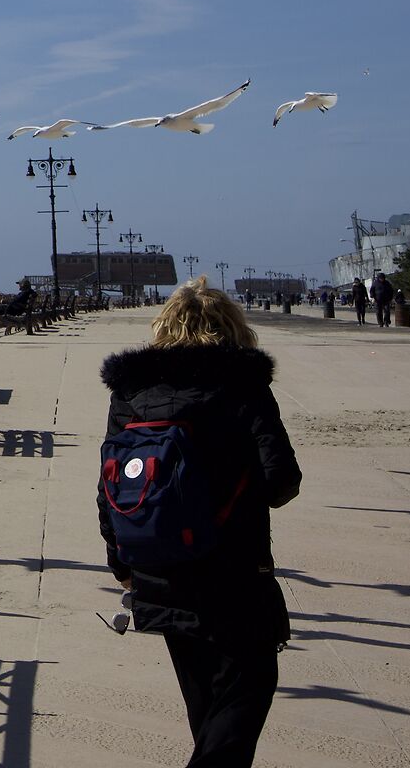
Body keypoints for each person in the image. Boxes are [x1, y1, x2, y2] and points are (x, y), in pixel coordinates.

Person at [98, 279, 302, 768]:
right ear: (232, 328)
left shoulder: (132, 390)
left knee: (206, 705)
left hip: (155, 566)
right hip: (233, 567)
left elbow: (110, 484)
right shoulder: (243, 384)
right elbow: (282, 480)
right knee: (246, 691)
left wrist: (120, 564)